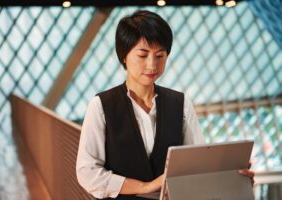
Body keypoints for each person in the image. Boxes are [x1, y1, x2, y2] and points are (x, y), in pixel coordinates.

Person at [76, 10, 254, 199]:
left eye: (160, 56)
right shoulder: (101, 105)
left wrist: (231, 179)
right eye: (143, 55)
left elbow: (197, 165)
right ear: (124, 56)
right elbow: (87, 172)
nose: (152, 65)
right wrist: (144, 187)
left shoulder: (181, 103)